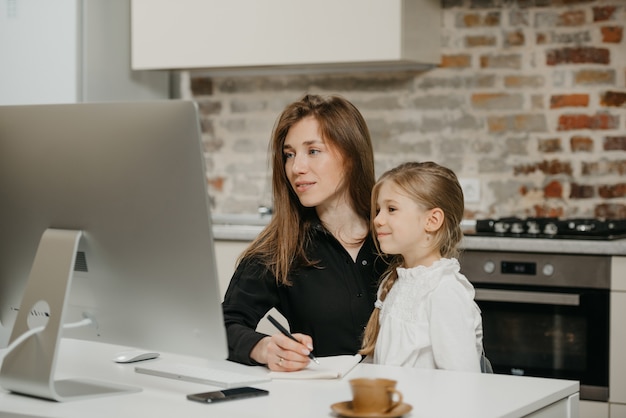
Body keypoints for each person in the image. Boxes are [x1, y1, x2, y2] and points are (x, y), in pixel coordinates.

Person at [222, 94, 385, 371]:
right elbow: (223, 325)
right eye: (289, 155)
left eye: (313, 151)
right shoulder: (279, 247)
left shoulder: (397, 234)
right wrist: (263, 347)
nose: (296, 168)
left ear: (351, 155)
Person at [359, 161, 484, 372]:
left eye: (391, 209)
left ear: (432, 220)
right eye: (378, 210)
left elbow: (463, 383)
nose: (378, 220)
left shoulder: (444, 292)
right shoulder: (394, 284)